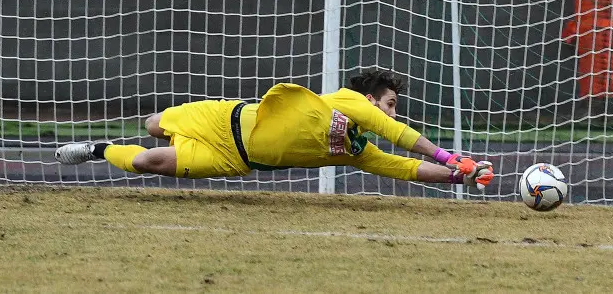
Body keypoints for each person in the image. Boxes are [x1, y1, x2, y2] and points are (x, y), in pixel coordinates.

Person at [55, 70, 494, 190]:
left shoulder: (357, 152)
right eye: (390, 105)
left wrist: (460, 174)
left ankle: (97, 150)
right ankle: (130, 132)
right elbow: (401, 137)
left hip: (234, 159)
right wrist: (450, 156)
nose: (392, 115)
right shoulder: (345, 100)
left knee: (148, 161)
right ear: (370, 100)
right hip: (224, 118)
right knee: (152, 125)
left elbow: (404, 168)